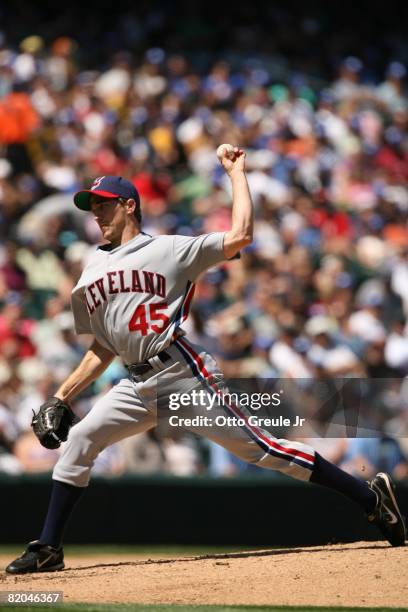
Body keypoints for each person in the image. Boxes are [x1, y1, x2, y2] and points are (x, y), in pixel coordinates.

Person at [6, 149, 406, 573]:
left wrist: (237, 174)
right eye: (93, 206)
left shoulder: (171, 249)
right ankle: (49, 547)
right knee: (81, 440)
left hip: (182, 375)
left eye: (104, 203)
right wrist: (61, 397)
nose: (97, 213)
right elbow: (102, 347)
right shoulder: (90, 270)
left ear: (129, 205)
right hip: (135, 384)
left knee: (264, 451)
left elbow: (241, 235)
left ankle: (369, 497)